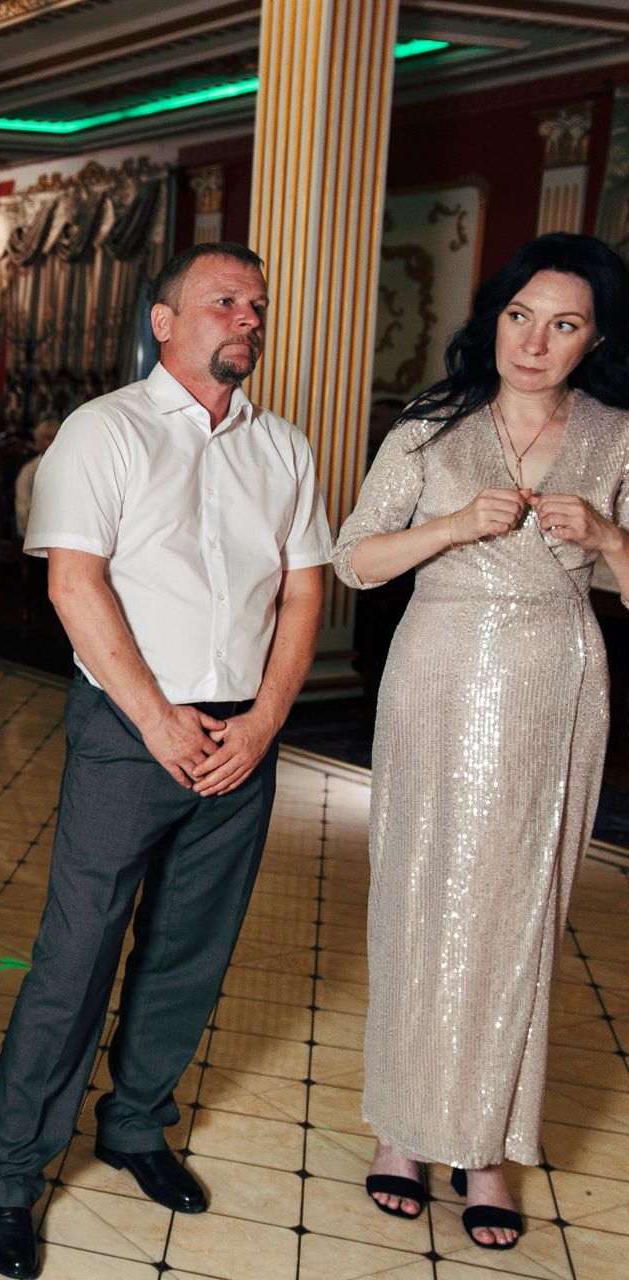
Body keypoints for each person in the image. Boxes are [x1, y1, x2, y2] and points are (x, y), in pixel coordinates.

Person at [0, 241, 330, 1279]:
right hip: (131, 730)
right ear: (164, 321)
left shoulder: (285, 447)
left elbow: (304, 590)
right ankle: (10, 1175)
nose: (247, 318)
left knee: (189, 950)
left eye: (257, 304)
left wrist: (263, 722)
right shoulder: (107, 430)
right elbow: (73, 583)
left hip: (243, 738)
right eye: (224, 301)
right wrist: (159, 720)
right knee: (76, 953)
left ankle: (135, 1124)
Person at [332, 232, 629, 1250]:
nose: (533, 342)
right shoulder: (430, 424)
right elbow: (356, 560)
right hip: (439, 674)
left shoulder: (618, 437)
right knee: (419, 897)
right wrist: (454, 525)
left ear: (595, 341)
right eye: (519, 316)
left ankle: (489, 1146)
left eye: (563, 325)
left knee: (520, 915)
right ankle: (399, 1128)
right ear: (493, 318)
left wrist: (609, 537)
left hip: (556, 685)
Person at [12, 417, 59, 538]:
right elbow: (22, 511)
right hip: (35, 532)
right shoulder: (29, 471)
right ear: (38, 444)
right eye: (49, 438)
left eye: (58, 437)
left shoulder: (67, 467)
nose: (55, 442)